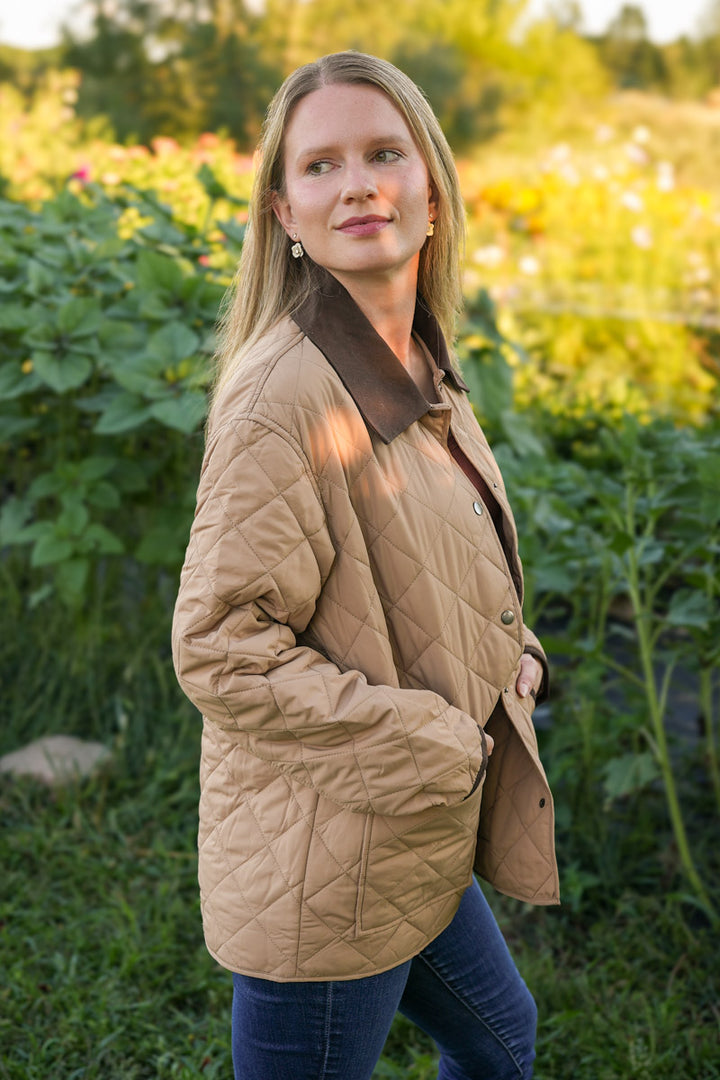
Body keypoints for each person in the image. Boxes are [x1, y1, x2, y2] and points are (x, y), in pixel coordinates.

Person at [172, 50, 559, 1080]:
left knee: (500, 1038)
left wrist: (512, 650)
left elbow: (437, 554)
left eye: (386, 152)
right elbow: (220, 648)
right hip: (328, 857)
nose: (359, 185)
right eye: (322, 165)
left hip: (406, 832)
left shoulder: (414, 357)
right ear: (284, 213)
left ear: (432, 190)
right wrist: (434, 740)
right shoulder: (284, 397)